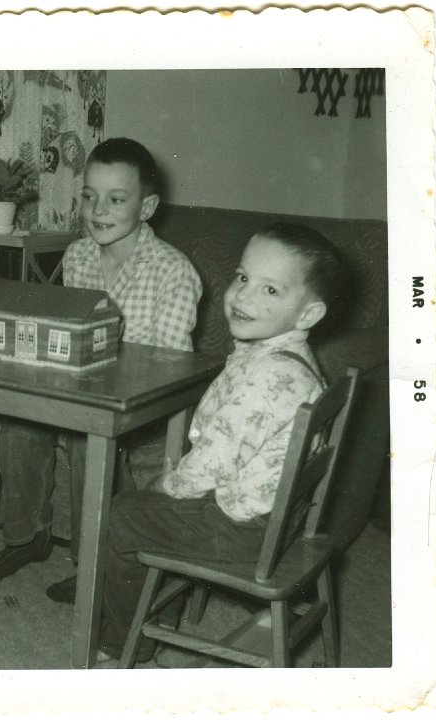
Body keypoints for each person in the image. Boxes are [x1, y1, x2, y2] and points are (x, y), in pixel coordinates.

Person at [95, 222, 344, 664]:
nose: (244, 295)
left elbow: (212, 464)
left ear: (307, 315)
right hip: (278, 517)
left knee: (124, 513)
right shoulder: (284, 358)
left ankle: (124, 638)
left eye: (271, 290)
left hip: (242, 531)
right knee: (159, 493)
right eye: (244, 278)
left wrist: (165, 488)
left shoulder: (267, 376)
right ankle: (160, 609)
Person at [0, 138, 203, 598]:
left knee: (87, 439)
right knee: (19, 422)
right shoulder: (78, 255)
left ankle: (93, 566)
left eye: (117, 199)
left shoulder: (173, 272)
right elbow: (65, 330)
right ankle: (29, 536)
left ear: (147, 208)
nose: (98, 209)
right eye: (89, 196)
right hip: (82, 393)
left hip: (148, 414)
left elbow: (171, 371)